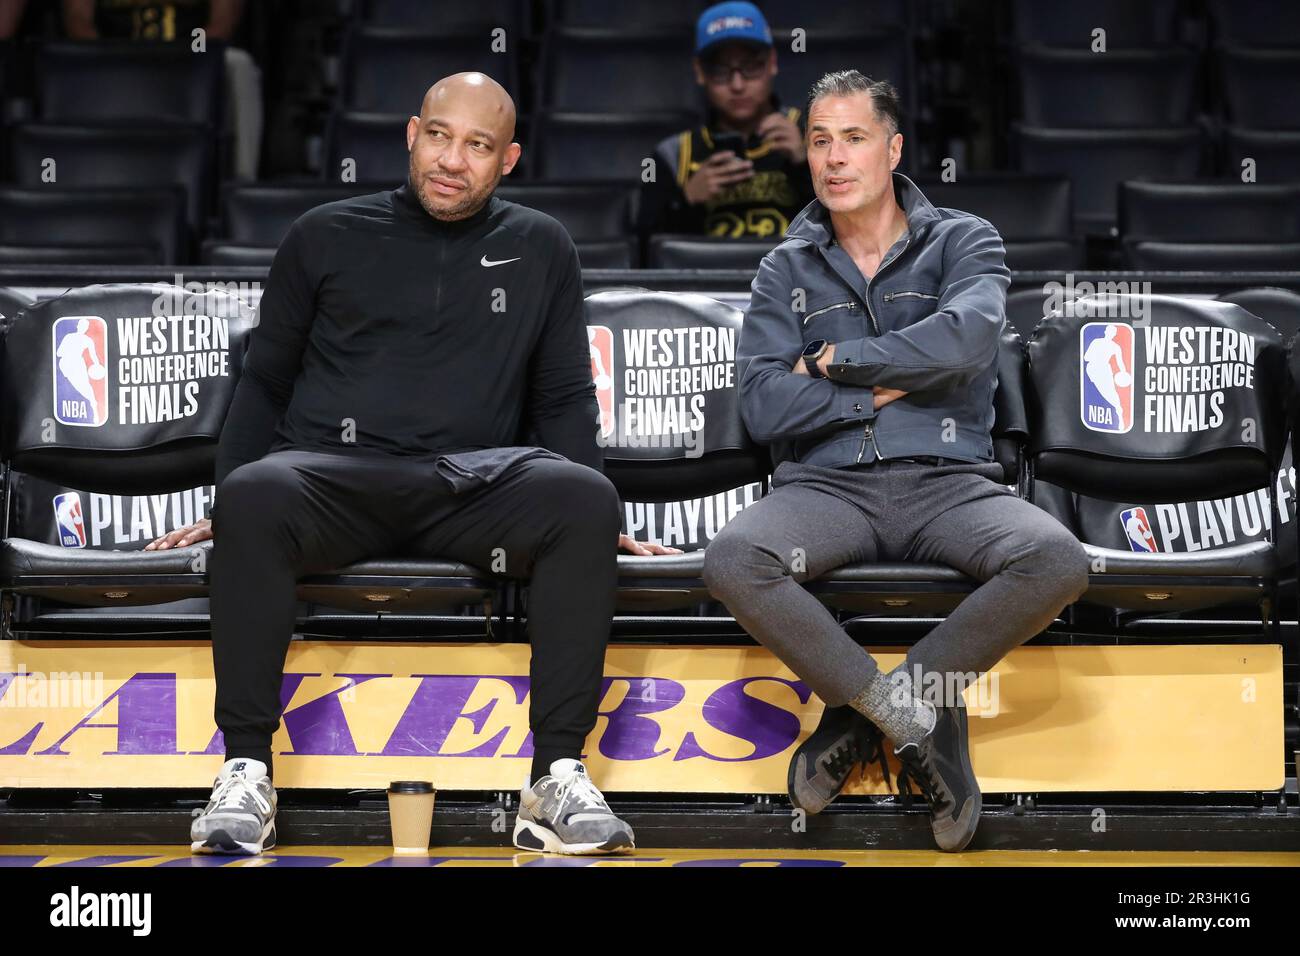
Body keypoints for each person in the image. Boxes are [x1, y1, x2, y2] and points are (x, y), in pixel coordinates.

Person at [147, 72, 677, 857]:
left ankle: (555, 776)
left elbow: (565, 397)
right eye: (439, 135)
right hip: (333, 480)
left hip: (474, 486)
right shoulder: (324, 233)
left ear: (509, 159)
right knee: (256, 495)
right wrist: (228, 497)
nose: (451, 160)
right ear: (410, 134)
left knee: (585, 501)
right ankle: (246, 770)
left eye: (477, 145)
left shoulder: (540, 246)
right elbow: (262, 383)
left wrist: (600, 508)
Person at [702, 70, 1090, 852]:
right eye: (819, 141)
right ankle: (919, 722)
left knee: (1055, 560)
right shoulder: (785, 266)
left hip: (950, 485)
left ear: (893, 148)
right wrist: (881, 392)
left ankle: (861, 711)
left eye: (853, 138)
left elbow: (969, 342)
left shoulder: (964, 239)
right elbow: (766, 405)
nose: (834, 158)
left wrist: (834, 361)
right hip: (827, 487)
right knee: (735, 558)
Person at [638, 1, 814, 241]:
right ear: (700, 72)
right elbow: (645, 251)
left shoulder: (814, 133)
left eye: (751, 67)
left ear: (772, 62)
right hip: (708, 277)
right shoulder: (675, 155)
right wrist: (687, 201)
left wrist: (804, 165)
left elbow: (852, 231)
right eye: (720, 70)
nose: (737, 85)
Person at [61, 0, 264, 180]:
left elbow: (223, 21)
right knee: (62, 66)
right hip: (115, 56)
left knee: (239, 65)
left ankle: (242, 179)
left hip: (191, 54)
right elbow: (78, 20)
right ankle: (67, 181)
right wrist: (112, 58)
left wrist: (184, 55)